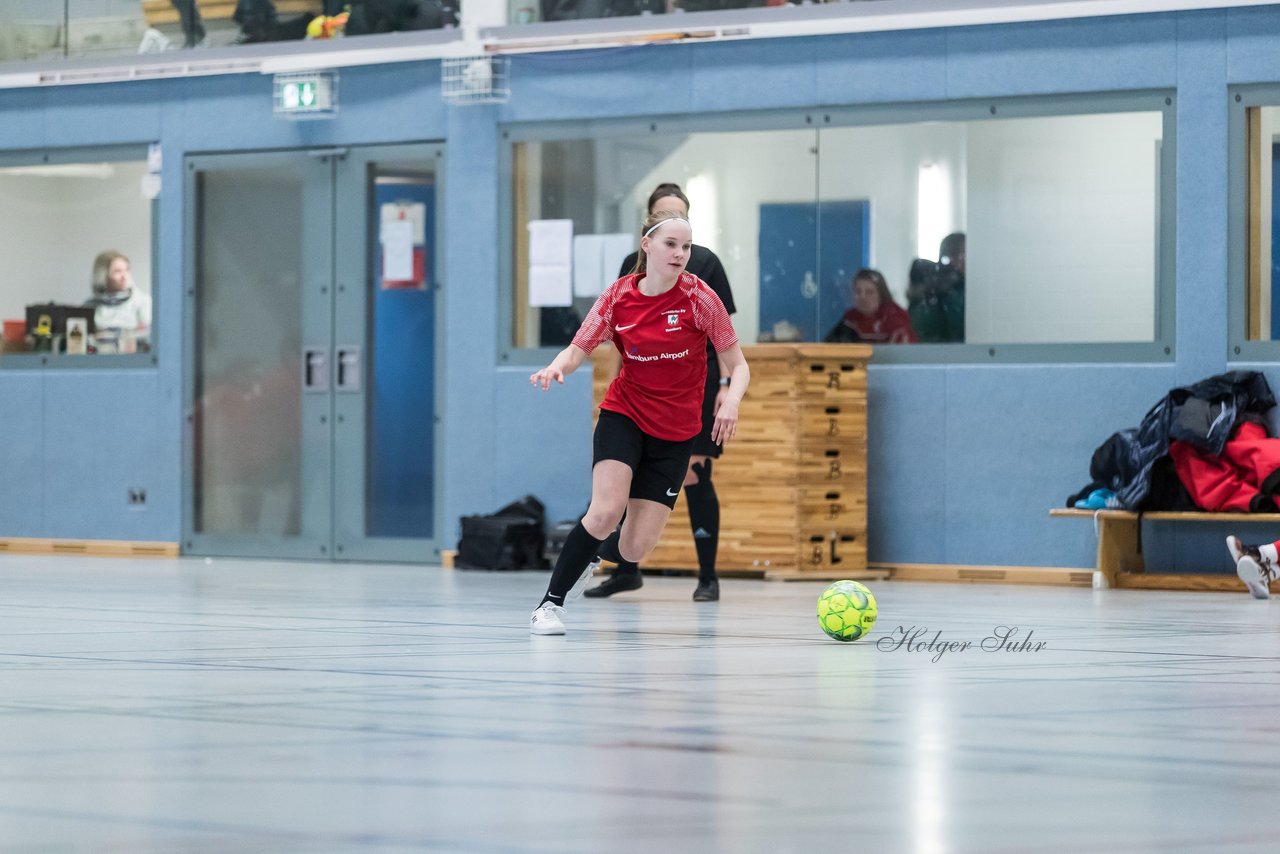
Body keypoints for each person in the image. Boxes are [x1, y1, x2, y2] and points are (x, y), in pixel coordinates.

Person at [529, 211, 749, 635]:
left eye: (686, 247)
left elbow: (738, 365)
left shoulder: (700, 298)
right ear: (646, 246)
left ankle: (594, 553)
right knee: (605, 509)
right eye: (671, 244)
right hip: (625, 414)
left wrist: (731, 400)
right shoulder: (617, 297)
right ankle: (549, 607)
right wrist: (557, 367)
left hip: (677, 432)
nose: (680, 254)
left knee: (633, 548)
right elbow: (578, 348)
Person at [586, 182, 737, 602]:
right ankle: (625, 569)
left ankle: (707, 575)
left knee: (695, 472)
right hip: (640, 383)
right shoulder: (629, 270)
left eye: (682, 215)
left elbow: (727, 342)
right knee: (623, 475)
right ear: (649, 231)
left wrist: (727, 388)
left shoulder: (705, 264)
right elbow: (622, 333)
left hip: (695, 383)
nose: (678, 249)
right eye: (665, 215)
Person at [824, 268, 917, 344]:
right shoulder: (850, 319)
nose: (862, 297)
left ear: (881, 295)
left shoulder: (897, 318)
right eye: (858, 291)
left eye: (869, 292)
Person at [907, 232, 966, 343]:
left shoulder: (973, 288)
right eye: (951, 255)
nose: (959, 260)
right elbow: (920, 326)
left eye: (963, 254)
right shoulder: (935, 288)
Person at [86, 251, 151, 345]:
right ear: (103, 275)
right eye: (117, 271)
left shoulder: (143, 302)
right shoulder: (90, 306)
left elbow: (149, 338)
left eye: (127, 270)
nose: (124, 276)